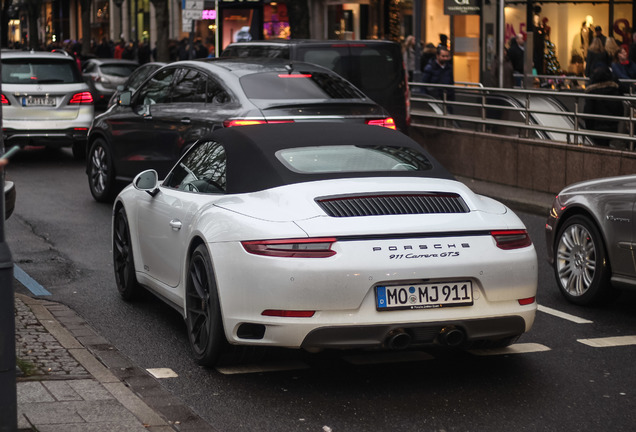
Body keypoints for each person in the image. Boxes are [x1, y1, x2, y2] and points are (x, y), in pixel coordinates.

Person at [583, 65, 624, 146]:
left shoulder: (592, 92)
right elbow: (620, 111)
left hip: (595, 128)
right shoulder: (614, 91)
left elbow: (588, 112)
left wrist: (589, 128)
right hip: (611, 127)